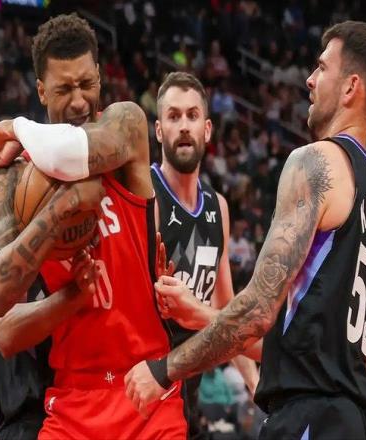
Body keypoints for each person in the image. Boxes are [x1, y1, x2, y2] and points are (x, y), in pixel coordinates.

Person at [125, 20, 366, 439]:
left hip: (312, 414)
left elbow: (257, 312)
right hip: (355, 419)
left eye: (322, 67)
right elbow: (328, 347)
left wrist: (164, 370)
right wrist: (202, 314)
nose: (309, 79)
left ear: (350, 87)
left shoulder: (317, 161)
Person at [0, 13, 186, 440]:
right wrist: (60, 214)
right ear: (41, 90)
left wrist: (16, 128)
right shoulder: (11, 180)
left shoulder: (125, 125)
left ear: (101, 78)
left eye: (87, 84)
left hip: (148, 388)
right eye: (63, 89)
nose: (78, 101)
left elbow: (76, 152)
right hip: (73, 401)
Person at [150, 71, 259, 439]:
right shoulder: (147, 197)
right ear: (159, 131)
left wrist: (254, 382)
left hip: (187, 393)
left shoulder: (218, 207)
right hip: (145, 387)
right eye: (174, 116)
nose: (184, 125)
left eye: (192, 116)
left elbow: (225, 308)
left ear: (207, 129)